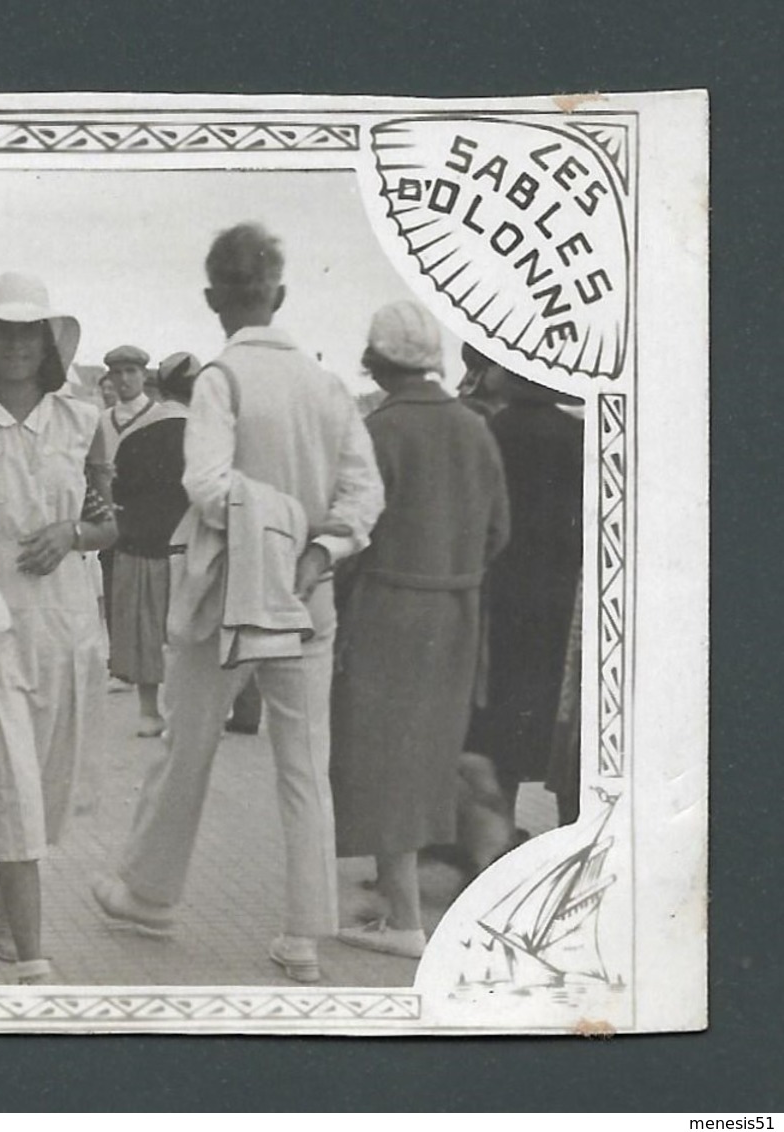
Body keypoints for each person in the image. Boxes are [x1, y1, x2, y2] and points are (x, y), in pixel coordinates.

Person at [93, 222, 384, 984]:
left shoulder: (221, 381)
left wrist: (271, 526)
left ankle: (150, 894)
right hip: (307, 598)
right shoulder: (326, 387)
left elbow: (207, 486)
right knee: (303, 767)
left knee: (186, 747)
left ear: (211, 299)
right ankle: (302, 935)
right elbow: (363, 493)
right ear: (279, 295)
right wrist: (318, 547)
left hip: (226, 597)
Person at [0, 271, 117, 979]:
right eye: (3, 332)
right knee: (9, 781)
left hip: (67, 624)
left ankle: (6, 898)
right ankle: (33, 957)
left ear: (48, 342)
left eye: (28, 333)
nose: (16, 345)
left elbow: (113, 522)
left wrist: (73, 533)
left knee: (45, 786)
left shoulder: (82, 419)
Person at [328, 301, 510, 960]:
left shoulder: (379, 430)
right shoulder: (475, 428)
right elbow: (498, 532)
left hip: (387, 609)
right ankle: (401, 904)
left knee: (380, 760)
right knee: (429, 754)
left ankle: (403, 918)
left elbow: (354, 536)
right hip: (458, 611)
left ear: (375, 361)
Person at [464, 352, 585, 829]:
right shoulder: (577, 436)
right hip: (558, 595)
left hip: (502, 593)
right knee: (555, 720)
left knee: (498, 725)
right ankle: (567, 832)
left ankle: (496, 838)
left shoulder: (492, 433)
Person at [106, 349, 196, 736]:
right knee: (187, 635)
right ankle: (185, 713)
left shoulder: (133, 433)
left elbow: (118, 489)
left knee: (143, 630)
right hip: (189, 547)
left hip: (139, 543)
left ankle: (148, 713)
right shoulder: (204, 432)